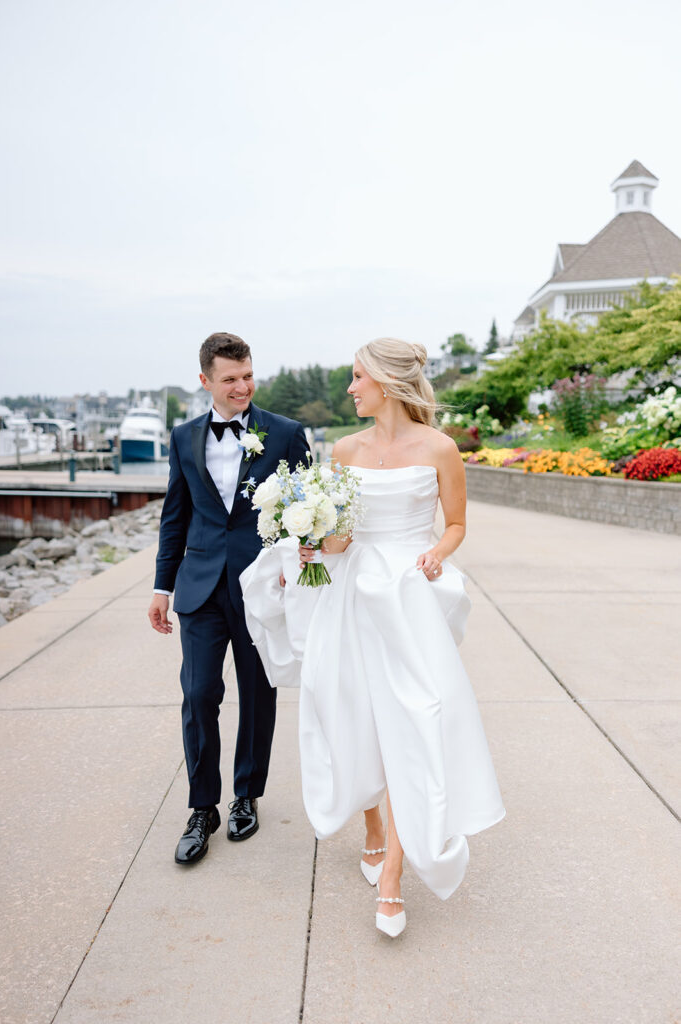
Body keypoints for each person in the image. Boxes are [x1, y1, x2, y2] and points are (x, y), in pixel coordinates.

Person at [240, 337, 505, 937]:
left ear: (386, 381)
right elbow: (341, 533)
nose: (352, 388)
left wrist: (438, 552)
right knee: (351, 714)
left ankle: (393, 877)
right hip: (351, 596)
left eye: (359, 377)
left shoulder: (440, 448)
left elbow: (457, 523)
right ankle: (373, 828)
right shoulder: (345, 449)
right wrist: (312, 541)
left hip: (407, 597)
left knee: (414, 720)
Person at [148, 332, 309, 865]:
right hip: (198, 587)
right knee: (198, 695)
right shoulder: (182, 437)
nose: (242, 387)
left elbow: (307, 510)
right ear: (205, 382)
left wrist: (299, 573)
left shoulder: (286, 434)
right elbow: (176, 515)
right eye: (230, 380)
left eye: (247, 377)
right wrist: (161, 586)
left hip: (260, 586)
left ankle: (247, 796)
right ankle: (202, 808)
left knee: (258, 695)